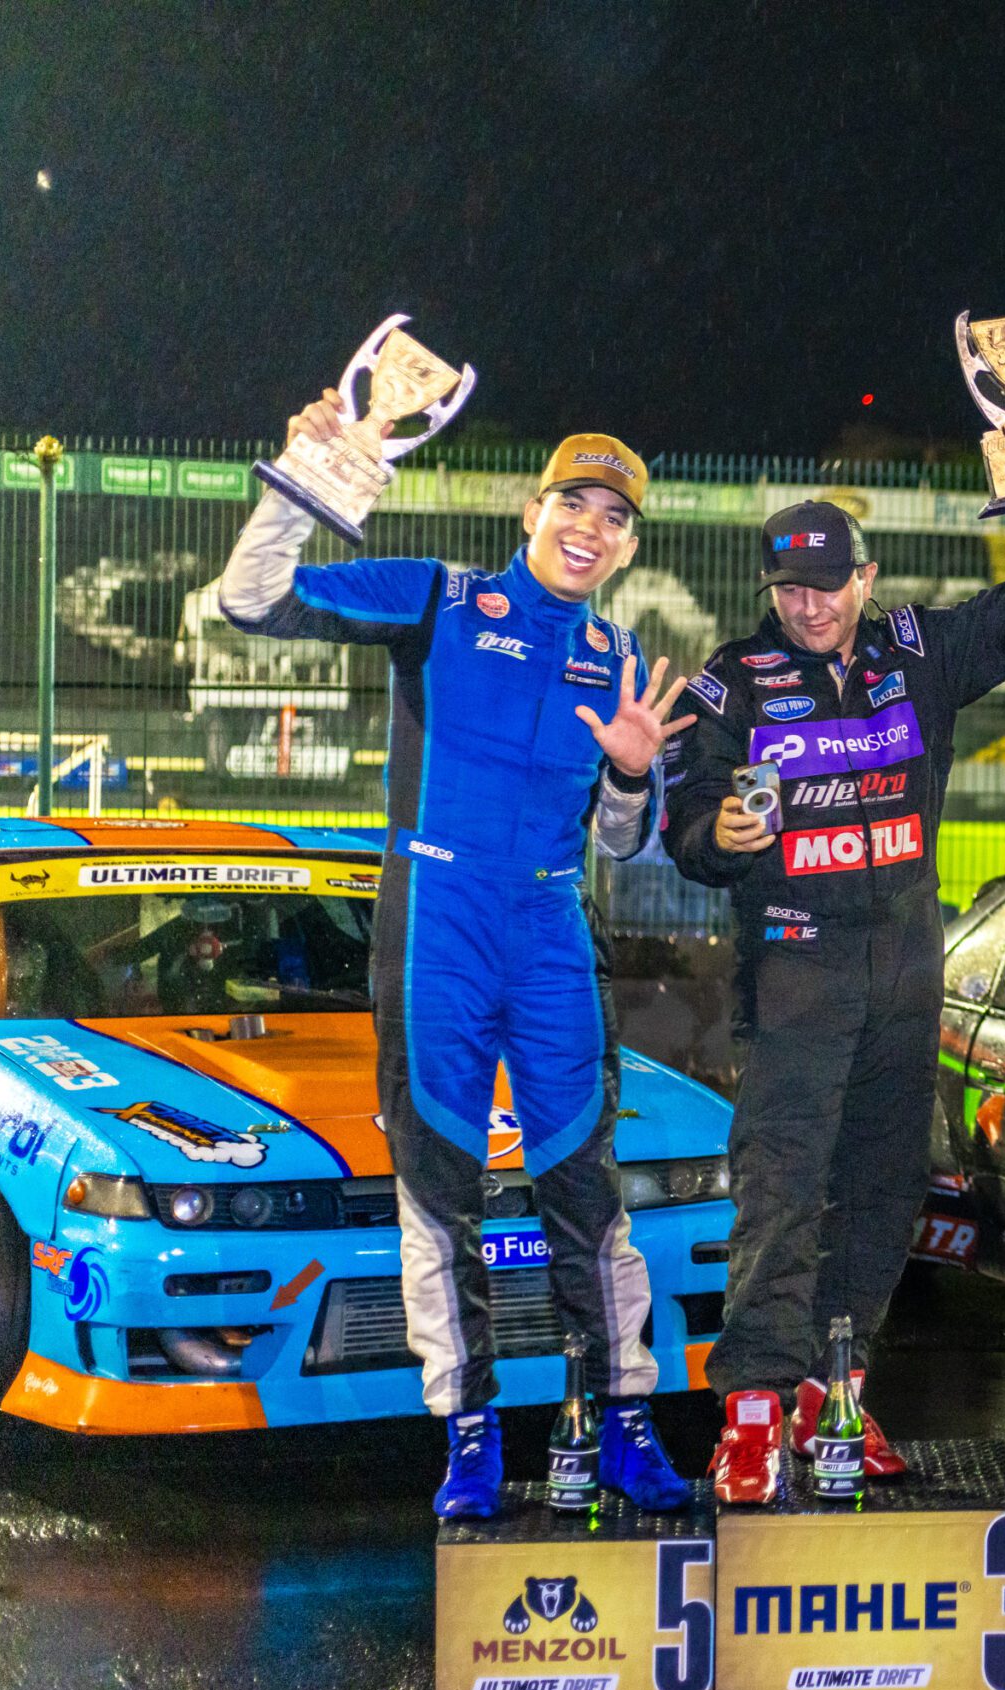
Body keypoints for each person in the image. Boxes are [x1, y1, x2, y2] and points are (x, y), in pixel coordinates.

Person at [223, 397, 696, 1519]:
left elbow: (622, 841)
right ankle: (468, 1435)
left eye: (614, 518)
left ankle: (623, 1422)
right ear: (533, 510)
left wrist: (633, 773)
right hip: (435, 918)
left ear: (630, 547)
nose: (589, 528)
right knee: (441, 1187)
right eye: (573, 503)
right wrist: (300, 486)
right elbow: (251, 599)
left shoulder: (618, 655)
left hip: (551, 930)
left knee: (583, 1181)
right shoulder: (440, 596)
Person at [663, 399, 1005, 1501]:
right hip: (795, 973)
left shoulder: (919, 650)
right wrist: (718, 834)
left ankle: (838, 1393)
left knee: (886, 1193)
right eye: (788, 588)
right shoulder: (732, 680)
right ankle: (753, 1409)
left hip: (907, 972)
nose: (807, 605)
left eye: (826, 584)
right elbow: (687, 821)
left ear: (866, 576)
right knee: (781, 1191)